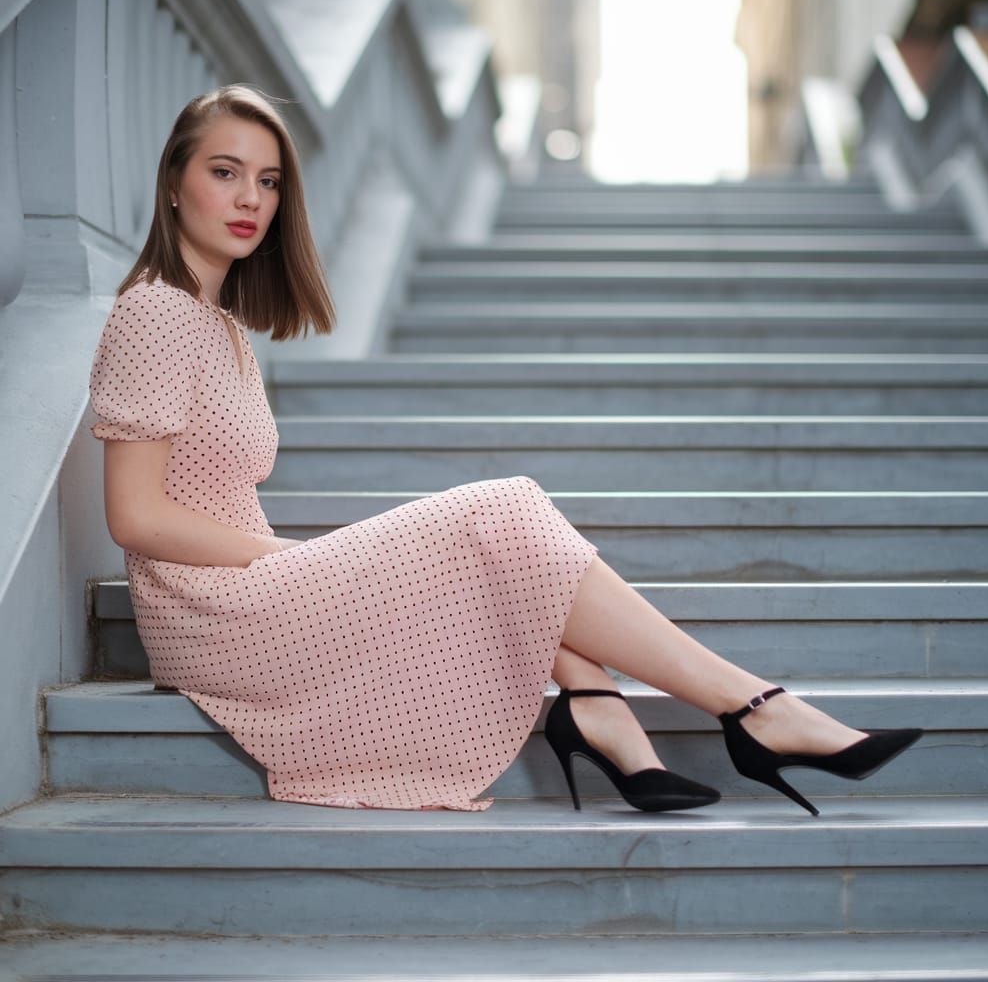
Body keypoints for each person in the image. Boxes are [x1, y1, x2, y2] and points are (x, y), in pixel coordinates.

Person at [89, 84, 922, 815]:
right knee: (502, 507)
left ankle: (602, 704)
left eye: (268, 180)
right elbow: (135, 515)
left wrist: (294, 567)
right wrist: (286, 560)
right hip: (214, 618)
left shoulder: (221, 328)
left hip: (249, 591)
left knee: (501, 534)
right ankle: (748, 708)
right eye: (224, 172)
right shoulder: (154, 311)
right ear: (174, 183)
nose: (250, 198)